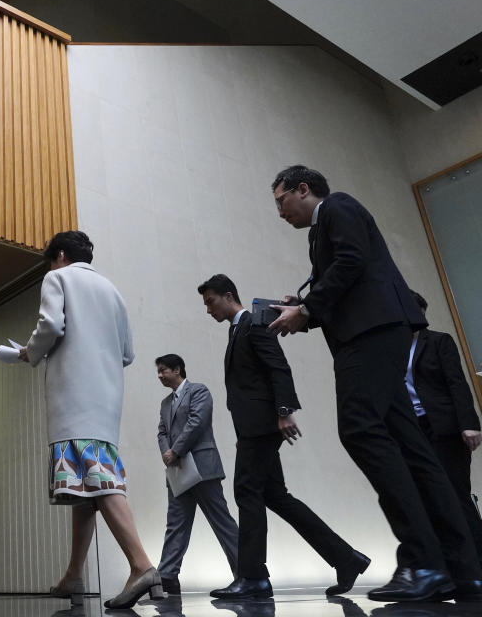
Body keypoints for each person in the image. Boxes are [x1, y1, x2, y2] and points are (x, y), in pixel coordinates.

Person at [267, 165, 482, 602]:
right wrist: (303, 308)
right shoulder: (321, 228)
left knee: (360, 428)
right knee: (414, 449)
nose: (280, 212)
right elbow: (347, 280)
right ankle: (462, 567)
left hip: (369, 335)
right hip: (379, 330)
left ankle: (422, 561)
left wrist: (307, 311)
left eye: (281, 201)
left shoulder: (338, 206)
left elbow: (351, 262)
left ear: (302, 189)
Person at [198, 274, 369, 599]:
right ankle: (346, 558)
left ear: (228, 295)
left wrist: (284, 410)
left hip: (262, 426)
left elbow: (278, 367)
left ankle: (253, 578)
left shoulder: (253, 323)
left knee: (246, 491)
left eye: (211, 301)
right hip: (254, 426)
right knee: (275, 496)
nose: (208, 310)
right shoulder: (238, 329)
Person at [19, 230, 162, 609]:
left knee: (98, 482)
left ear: (60, 255)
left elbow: (49, 326)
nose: (51, 265)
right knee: (87, 487)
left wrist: (29, 353)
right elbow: (128, 353)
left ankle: (142, 565)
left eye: (52, 258)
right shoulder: (112, 290)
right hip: (106, 398)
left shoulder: (58, 278)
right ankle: (73, 575)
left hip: (74, 395)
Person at [154, 353, 240, 596]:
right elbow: (161, 432)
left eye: (163, 370)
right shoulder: (165, 403)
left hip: (202, 468)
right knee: (175, 523)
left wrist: (175, 450)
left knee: (221, 521)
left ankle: (246, 573)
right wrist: (167, 452)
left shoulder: (199, 391)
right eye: (158, 372)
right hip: (178, 472)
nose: (160, 376)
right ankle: (168, 575)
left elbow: (197, 422)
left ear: (177, 369)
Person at [409, 290, 482, 563]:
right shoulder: (391, 349)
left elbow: (457, 383)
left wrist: (469, 424)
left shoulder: (439, 342)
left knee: (455, 494)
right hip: (414, 430)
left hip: (445, 427)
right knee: (427, 497)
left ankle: (477, 562)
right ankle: (447, 565)